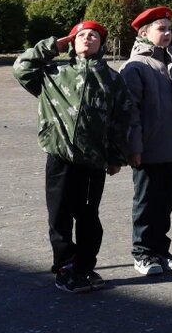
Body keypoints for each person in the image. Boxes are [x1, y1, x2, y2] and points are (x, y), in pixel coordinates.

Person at [13, 20, 135, 293]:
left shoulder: (112, 79)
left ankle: (85, 266)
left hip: (93, 160)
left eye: (94, 36)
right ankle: (66, 266)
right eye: (82, 35)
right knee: (59, 215)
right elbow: (20, 67)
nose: (88, 39)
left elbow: (122, 119)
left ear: (102, 44)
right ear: (72, 40)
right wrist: (53, 46)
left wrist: (116, 157)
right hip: (60, 156)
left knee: (89, 216)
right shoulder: (54, 72)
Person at [121, 6, 172, 277]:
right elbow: (129, 112)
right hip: (148, 150)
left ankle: (161, 250)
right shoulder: (136, 67)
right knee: (146, 203)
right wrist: (133, 147)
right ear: (144, 33)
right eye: (161, 29)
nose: (167, 33)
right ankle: (143, 253)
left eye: (169, 29)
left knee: (165, 203)